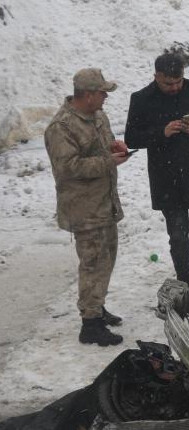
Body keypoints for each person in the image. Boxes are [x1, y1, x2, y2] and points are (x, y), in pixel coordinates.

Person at [125, 53, 189, 314]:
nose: (174, 88)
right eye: (168, 83)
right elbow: (131, 137)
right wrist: (161, 133)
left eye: (178, 82)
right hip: (166, 180)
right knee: (178, 238)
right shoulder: (141, 99)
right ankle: (186, 291)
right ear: (156, 76)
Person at [44, 68, 127, 346]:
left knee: (107, 259)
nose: (106, 97)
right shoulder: (62, 127)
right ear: (88, 95)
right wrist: (108, 162)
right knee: (92, 264)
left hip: (104, 204)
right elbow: (67, 167)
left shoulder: (98, 116)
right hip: (84, 209)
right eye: (102, 92)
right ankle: (90, 325)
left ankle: (97, 307)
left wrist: (115, 148)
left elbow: (101, 149)